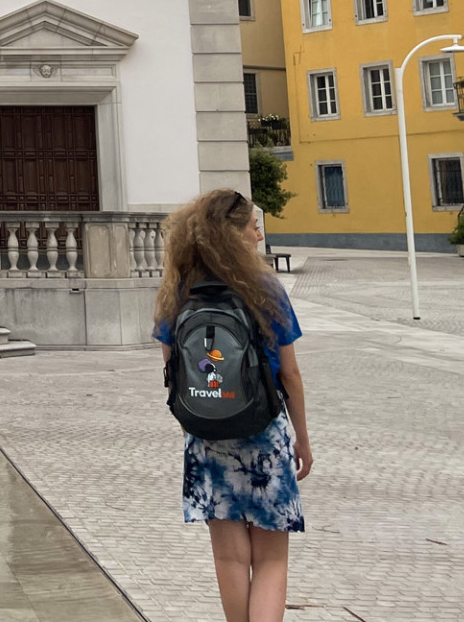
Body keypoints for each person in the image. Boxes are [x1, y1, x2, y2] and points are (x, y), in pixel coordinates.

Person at [154, 189, 312, 622]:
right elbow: (290, 375)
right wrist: (302, 439)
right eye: (253, 227)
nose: (258, 236)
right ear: (232, 234)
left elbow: (172, 374)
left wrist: (199, 423)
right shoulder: (265, 289)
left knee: (229, 559)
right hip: (264, 432)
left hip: (206, 436)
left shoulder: (178, 291)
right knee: (271, 559)